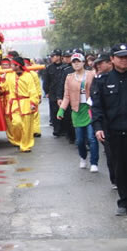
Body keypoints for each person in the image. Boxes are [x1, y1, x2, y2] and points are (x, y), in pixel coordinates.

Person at [92, 43, 127, 216]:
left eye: (126, 57)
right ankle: (124, 201)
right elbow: (97, 108)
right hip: (114, 131)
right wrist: (98, 127)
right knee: (120, 167)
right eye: (120, 57)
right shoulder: (103, 81)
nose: (124, 60)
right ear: (112, 59)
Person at [57, 53, 98, 172]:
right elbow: (66, 96)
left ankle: (94, 162)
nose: (76, 64)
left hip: (90, 109)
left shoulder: (91, 75)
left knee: (91, 138)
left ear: (83, 62)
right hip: (77, 110)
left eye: (78, 61)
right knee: (80, 140)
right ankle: (83, 157)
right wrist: (61, 110)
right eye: (74, 62)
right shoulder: (69, 77)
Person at [1, 57, 39, 153]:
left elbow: (32, 90)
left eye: (13, 65)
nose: (11, 67)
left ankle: (26, 145)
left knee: (27, 127)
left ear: (18, 66)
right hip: (14, 104)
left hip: (26, 103)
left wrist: (33, 103)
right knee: (16, 123)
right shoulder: (10, 75)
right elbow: (5, 86)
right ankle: (18, 141)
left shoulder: (28, 76)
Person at [93, 52, 116, 188]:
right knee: (111, 154)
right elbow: (96, 105)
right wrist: (98, 126)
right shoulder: (100, 80)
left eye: (101, 63)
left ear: (110, 62)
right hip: (108, 125)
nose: (98, 65)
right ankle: (115, 180)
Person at [57, 49, 80, 144]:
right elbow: (62, 84)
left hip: (83, 99)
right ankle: (72, 136)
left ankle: (83, 139)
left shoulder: (88, 71)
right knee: (70, 119)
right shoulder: (66, 71)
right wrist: (59, 97)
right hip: (70, 98)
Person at [43, 49, 65, 136]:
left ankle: (64, 129)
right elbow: (46, 81)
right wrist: (46, 91)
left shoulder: (65, 67)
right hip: (53, 92)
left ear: (59, 56)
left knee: (64, 110)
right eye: (51, 56)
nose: (52, 58)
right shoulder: (49, 68)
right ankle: (57, 129)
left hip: (63, 92)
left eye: (53, 56)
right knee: (54, 111)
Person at [25, 58, 42, 138]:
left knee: (35, 113)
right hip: (23, 98)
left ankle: (36, 130)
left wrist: (39, 95)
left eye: (26, 64)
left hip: (33, 96)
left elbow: (37, 85)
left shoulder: (33, 74)